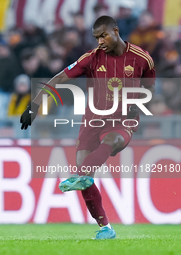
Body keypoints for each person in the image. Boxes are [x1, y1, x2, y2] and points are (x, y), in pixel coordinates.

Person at [20, 16, 156, 239]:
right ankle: (105, 228)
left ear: (115, 30)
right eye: (96, 38)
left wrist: (139, 104)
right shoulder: (92, 58)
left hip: (122, 121)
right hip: (93, 120)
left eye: (103, 35)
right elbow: (61, 77)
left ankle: (80, 174)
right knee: (86, 177)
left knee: (110, 142)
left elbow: (150, 88)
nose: (100, 41)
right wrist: (34, 104)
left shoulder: (142, 58)